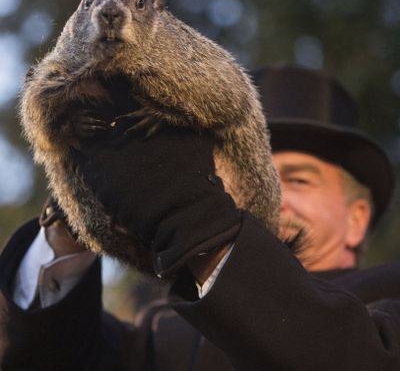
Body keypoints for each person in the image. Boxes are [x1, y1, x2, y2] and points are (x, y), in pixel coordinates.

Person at [0, 64, 399, 371]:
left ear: (356, 219)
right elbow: (47, 357)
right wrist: (73, 218)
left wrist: (196, 224)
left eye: (296, 179)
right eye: (250, 173)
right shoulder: (159, 330)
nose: (273, 195)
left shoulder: (388, 299)